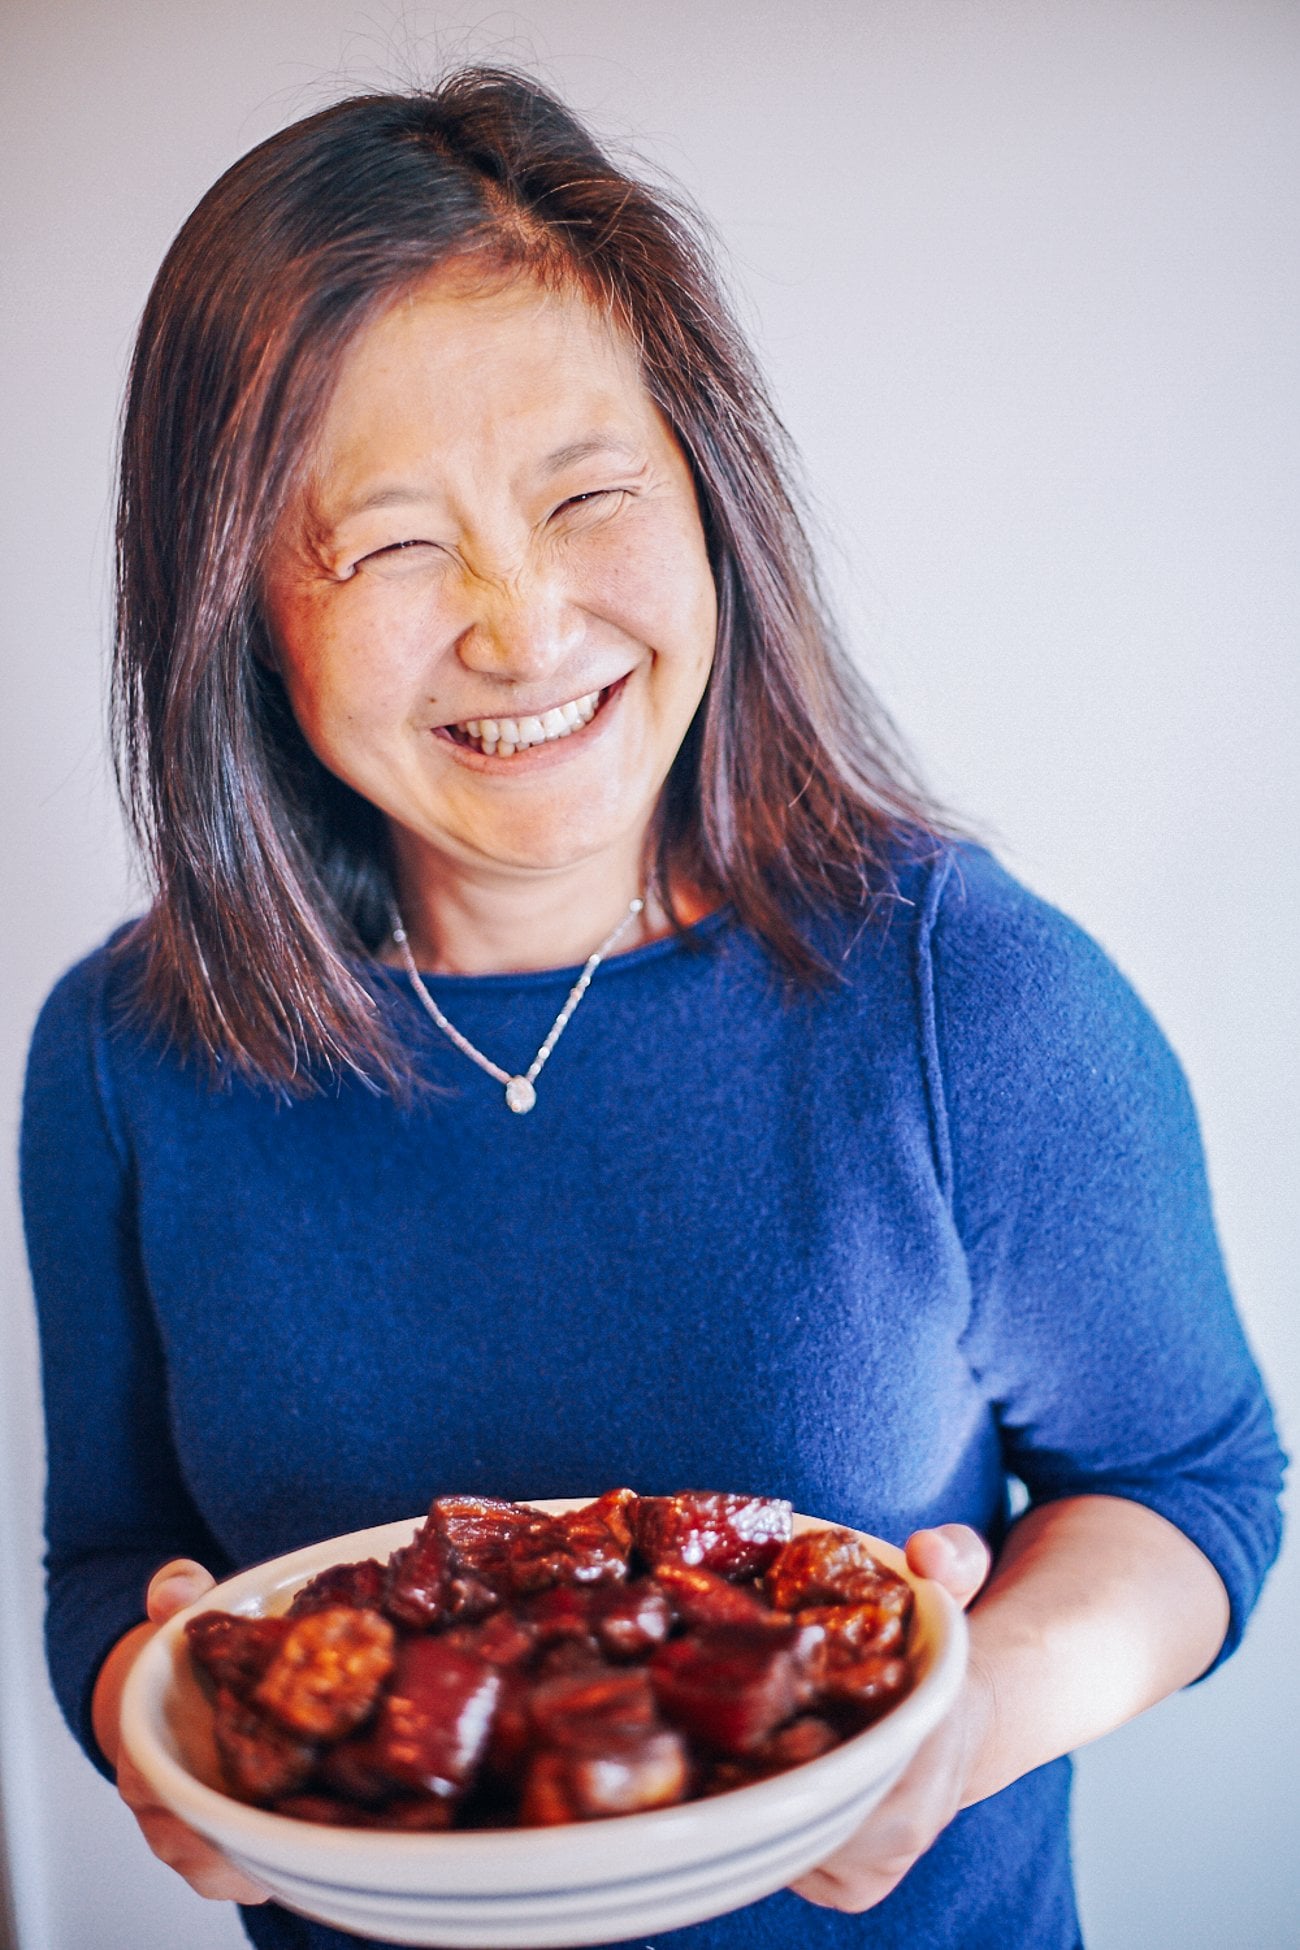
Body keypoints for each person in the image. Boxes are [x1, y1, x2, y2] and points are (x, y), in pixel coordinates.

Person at [20, 69, 1284, 1950]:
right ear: (235, 610)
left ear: (705, 495)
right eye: (386, 543)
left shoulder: (963, 988)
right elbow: (114, 1566)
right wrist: (154, 1720)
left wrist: (967, 1718)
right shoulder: (128, 1057)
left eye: (586, 495)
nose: (522, 625)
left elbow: (1193, 1485)